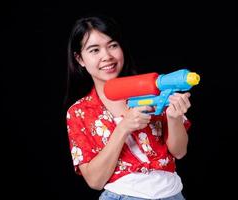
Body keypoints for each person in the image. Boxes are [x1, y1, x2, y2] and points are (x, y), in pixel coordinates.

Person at [65, 14, 192, 200]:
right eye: (94, 50)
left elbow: (179, 152)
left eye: (113, 45)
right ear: (80, 59)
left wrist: (174, 118)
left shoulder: (153, 90)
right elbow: (95, 181)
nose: (107, 56)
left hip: (172, 194)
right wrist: (123, 128)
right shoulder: (79, 112)